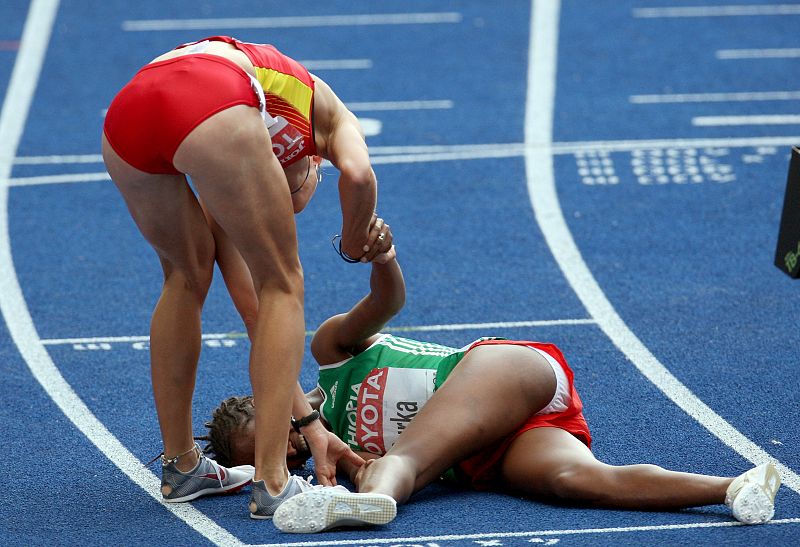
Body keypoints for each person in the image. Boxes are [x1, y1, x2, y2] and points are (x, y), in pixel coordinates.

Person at [202, 247, 783, 533]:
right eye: (276, 463)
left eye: (282, 442)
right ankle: (736, 487)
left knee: (407, 458)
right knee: (579, 482)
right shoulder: (342, 465)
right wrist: (353, 468)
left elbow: (386, 304)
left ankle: (362, 513)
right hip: (496, 450)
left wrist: (382, 259)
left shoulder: (330, 355)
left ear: (277, 400)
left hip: (504, 373)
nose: (296, 456)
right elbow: (386, 465)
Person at [102, 35, 391, 517]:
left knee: (184, 277)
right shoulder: (331, 117)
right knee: (285, 282)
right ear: (313, 163)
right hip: (207, 93)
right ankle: (274, 482)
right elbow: (360, 176)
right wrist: (356, 239)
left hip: (129, 111)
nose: (287, 200)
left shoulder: (246, 153)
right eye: (297, 188)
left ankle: (181, 468)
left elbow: (257, 314)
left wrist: (313, 426)